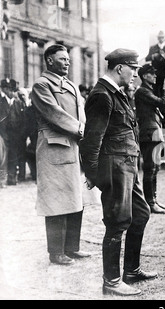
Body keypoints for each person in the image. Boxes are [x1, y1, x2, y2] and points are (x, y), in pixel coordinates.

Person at [79, 48, 158, 297]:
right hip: (114, 168)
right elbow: (91, 141)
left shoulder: (116, 94)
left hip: (126, 166)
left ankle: (131, 270)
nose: (136, 74)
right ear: (120, 68)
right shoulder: (102, 95)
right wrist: (95, 176)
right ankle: (111, 281)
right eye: (133, 69)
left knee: (141, 213)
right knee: (117, 222)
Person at [31, 44, 90, 265]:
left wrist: (85, 131)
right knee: (55, 199)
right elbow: (54, 114)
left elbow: (81, 114)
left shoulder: (71, 86)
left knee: (76, 197)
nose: (67, 62)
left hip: (74, 145)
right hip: (53, 147)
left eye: (68, 59)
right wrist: (82, 130)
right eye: (62, 58)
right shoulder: (42, 85)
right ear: (49, 61)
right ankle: (56, 252)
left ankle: (72, 248)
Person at [134, 63, 165, 214]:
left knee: (155, 168)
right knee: (150, 168)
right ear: (144, 76)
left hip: (154, 132)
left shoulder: (147, 91)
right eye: (152, 74)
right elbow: (162, 102)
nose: (155, 76)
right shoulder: (142, 91)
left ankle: (153, 200)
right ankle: (150, 202)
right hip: (149, 134)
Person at [6, 86, 29, 184]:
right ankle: (12, 178)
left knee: (21, 156)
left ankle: (21, 176)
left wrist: (23, 134)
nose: (13, 94)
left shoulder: (19, 104)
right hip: (10, 135)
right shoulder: (5, 102)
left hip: (20, 135)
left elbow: (24, 120)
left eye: (14, 92)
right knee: (12, 156)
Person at [145, 30, 165, 97]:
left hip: (164, 72)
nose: (161, 39)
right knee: (155, 89)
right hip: (155, 72)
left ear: (164, 38)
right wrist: (153, 56)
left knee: (164, 89)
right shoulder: (153, 48)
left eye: (162, 37)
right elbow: (147, 58)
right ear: (158, 38)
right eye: (160, 37)